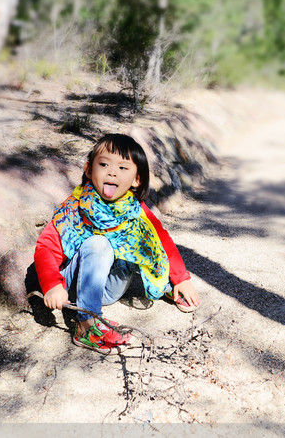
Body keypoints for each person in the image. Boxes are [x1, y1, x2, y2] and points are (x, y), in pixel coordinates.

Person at [33, 133, 201, 353]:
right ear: (88, 170)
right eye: (103, 164)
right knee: (98, 243)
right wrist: (52, 285)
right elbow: (46, 247)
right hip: (73, 287)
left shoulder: (134, 210)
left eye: (123, 168)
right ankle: (87, 325)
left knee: (139, 239)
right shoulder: (76, 207)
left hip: (108, 289)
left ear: (136, 180)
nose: (112, 172)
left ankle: (164, 285)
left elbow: (162, 241)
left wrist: (180, 278)